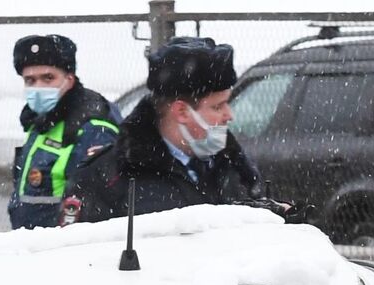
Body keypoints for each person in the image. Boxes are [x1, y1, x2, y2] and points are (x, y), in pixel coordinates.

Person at [62, 37, 262, 225]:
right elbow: (82, 255)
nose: (229, 115)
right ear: (181, 111)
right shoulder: (106, 177)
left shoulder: (232, 165)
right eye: (218, 107)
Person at [7, 34, 118, 230]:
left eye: (48, 78)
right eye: (30, 80)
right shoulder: (41, 120)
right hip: (32, 246)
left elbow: (96, 207)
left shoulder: (92, 126)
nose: (38, 87)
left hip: (66, 250)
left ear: (69, 78)